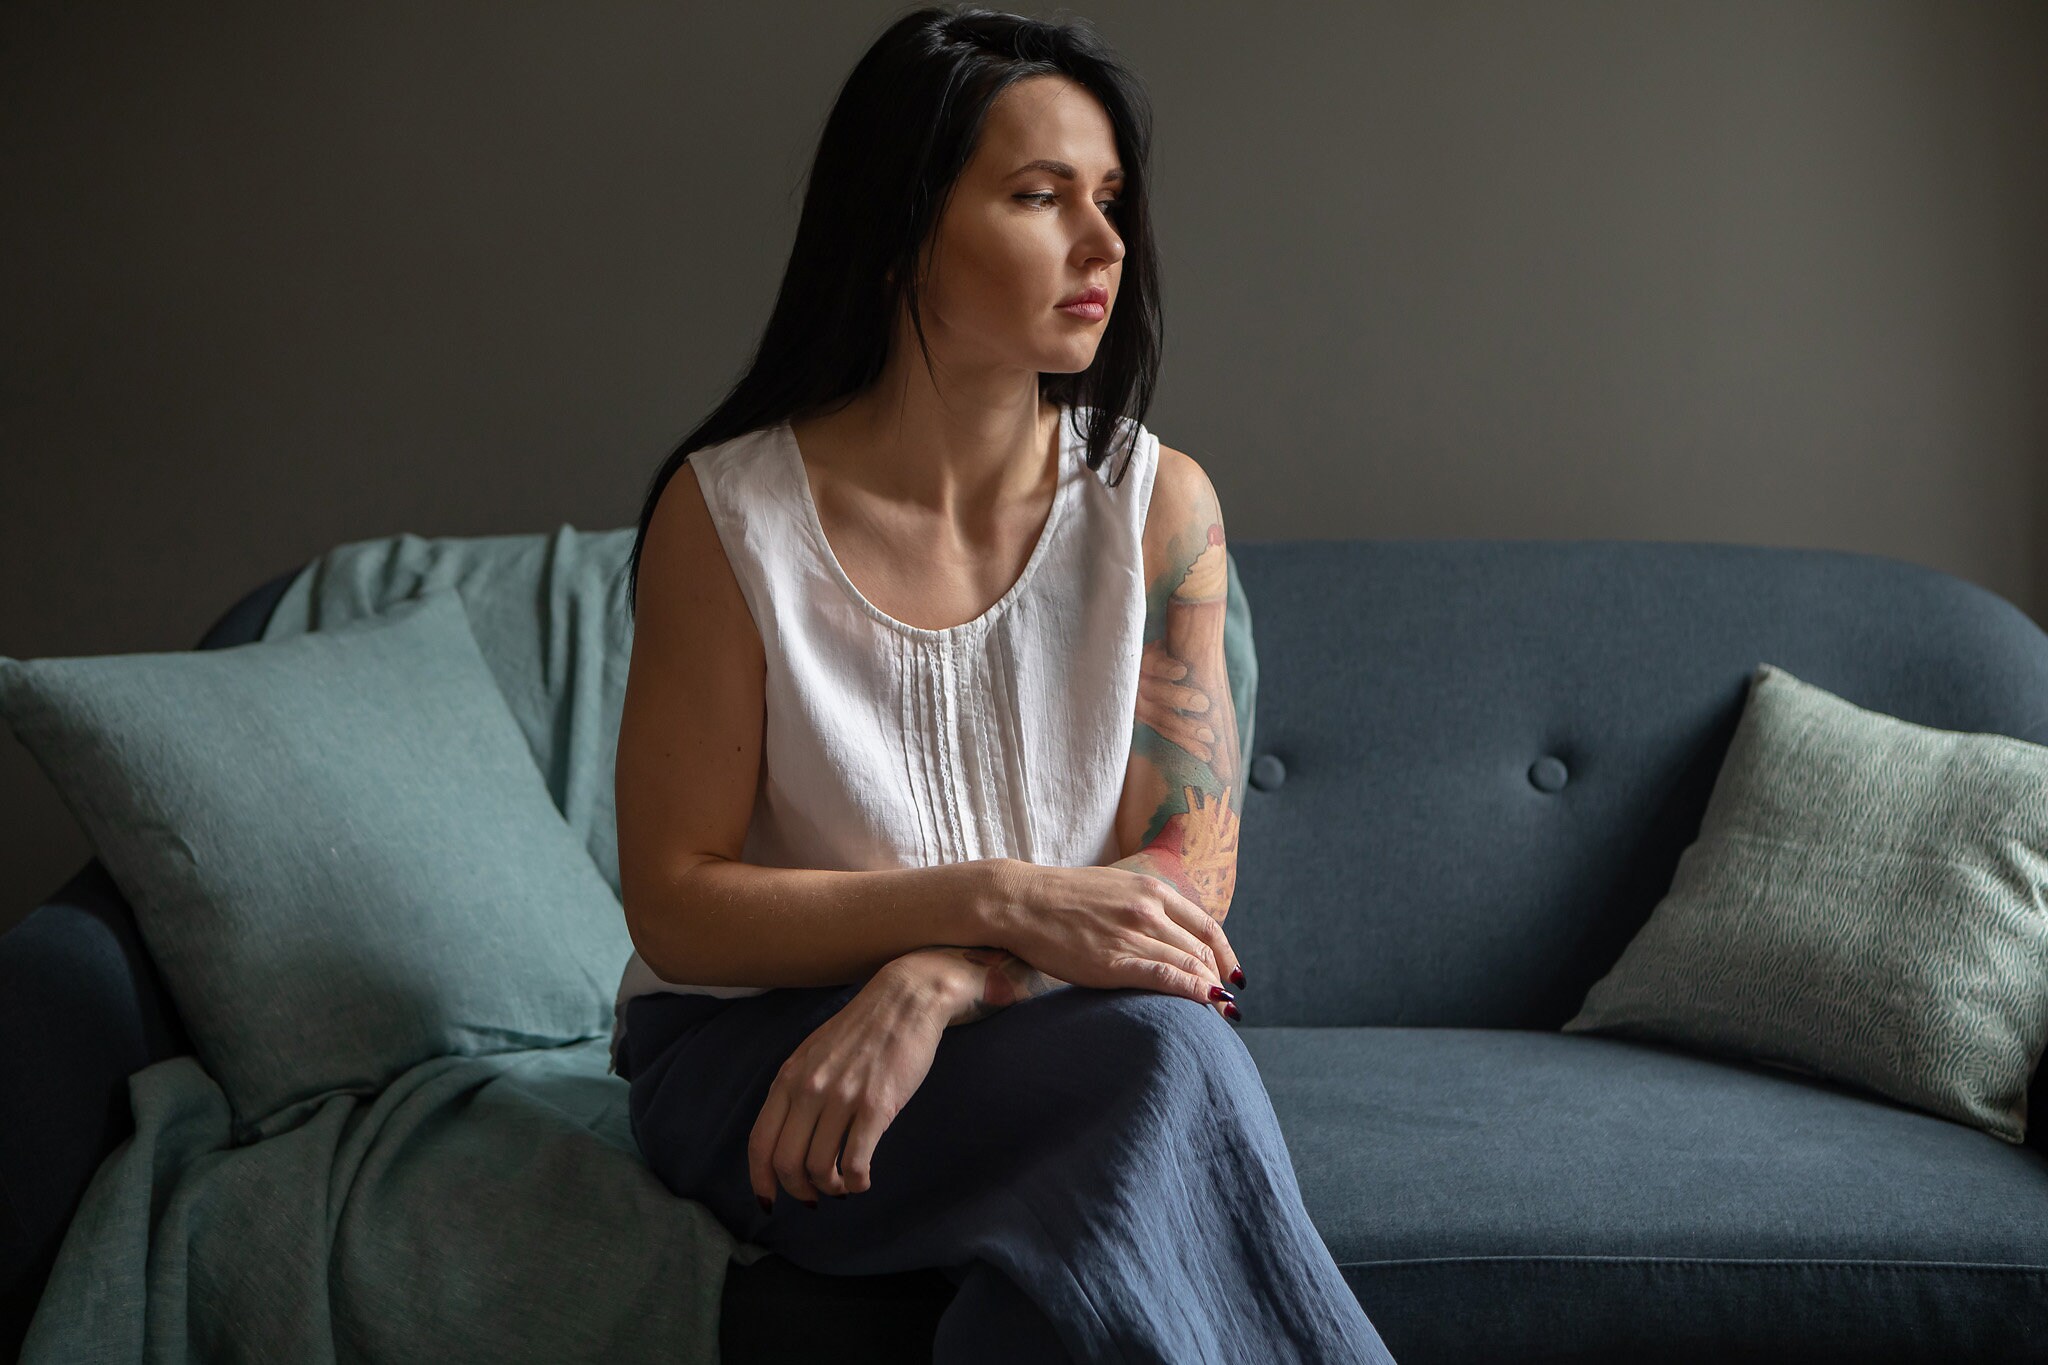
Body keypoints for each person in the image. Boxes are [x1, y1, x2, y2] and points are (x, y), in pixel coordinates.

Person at [610, 7, 1400, 1361]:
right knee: (1166, 1066)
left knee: (1095, 1191)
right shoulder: (728, 516)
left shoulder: (1160, 508)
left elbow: (1180, 896)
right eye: (1041, 198)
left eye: (1111, 202)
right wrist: (999, 898)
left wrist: (946, 975)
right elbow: (678, 905)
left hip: (1041, 1027)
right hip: (758, 1057)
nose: (1104, 246)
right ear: (903, 223)